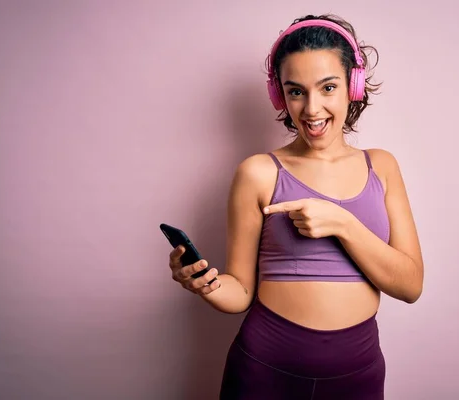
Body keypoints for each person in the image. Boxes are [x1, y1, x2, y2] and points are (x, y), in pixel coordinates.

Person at [169, 13, 424, 400]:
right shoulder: (258, 173)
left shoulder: (382, 166)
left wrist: (343, 223)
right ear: (280, 95)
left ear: (353, 86)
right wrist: (207, 285)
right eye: (295, 91)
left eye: (328, 87)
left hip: (358, 374)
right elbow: (239, 293)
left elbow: (410, 286)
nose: (311, 109)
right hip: (264, 370)